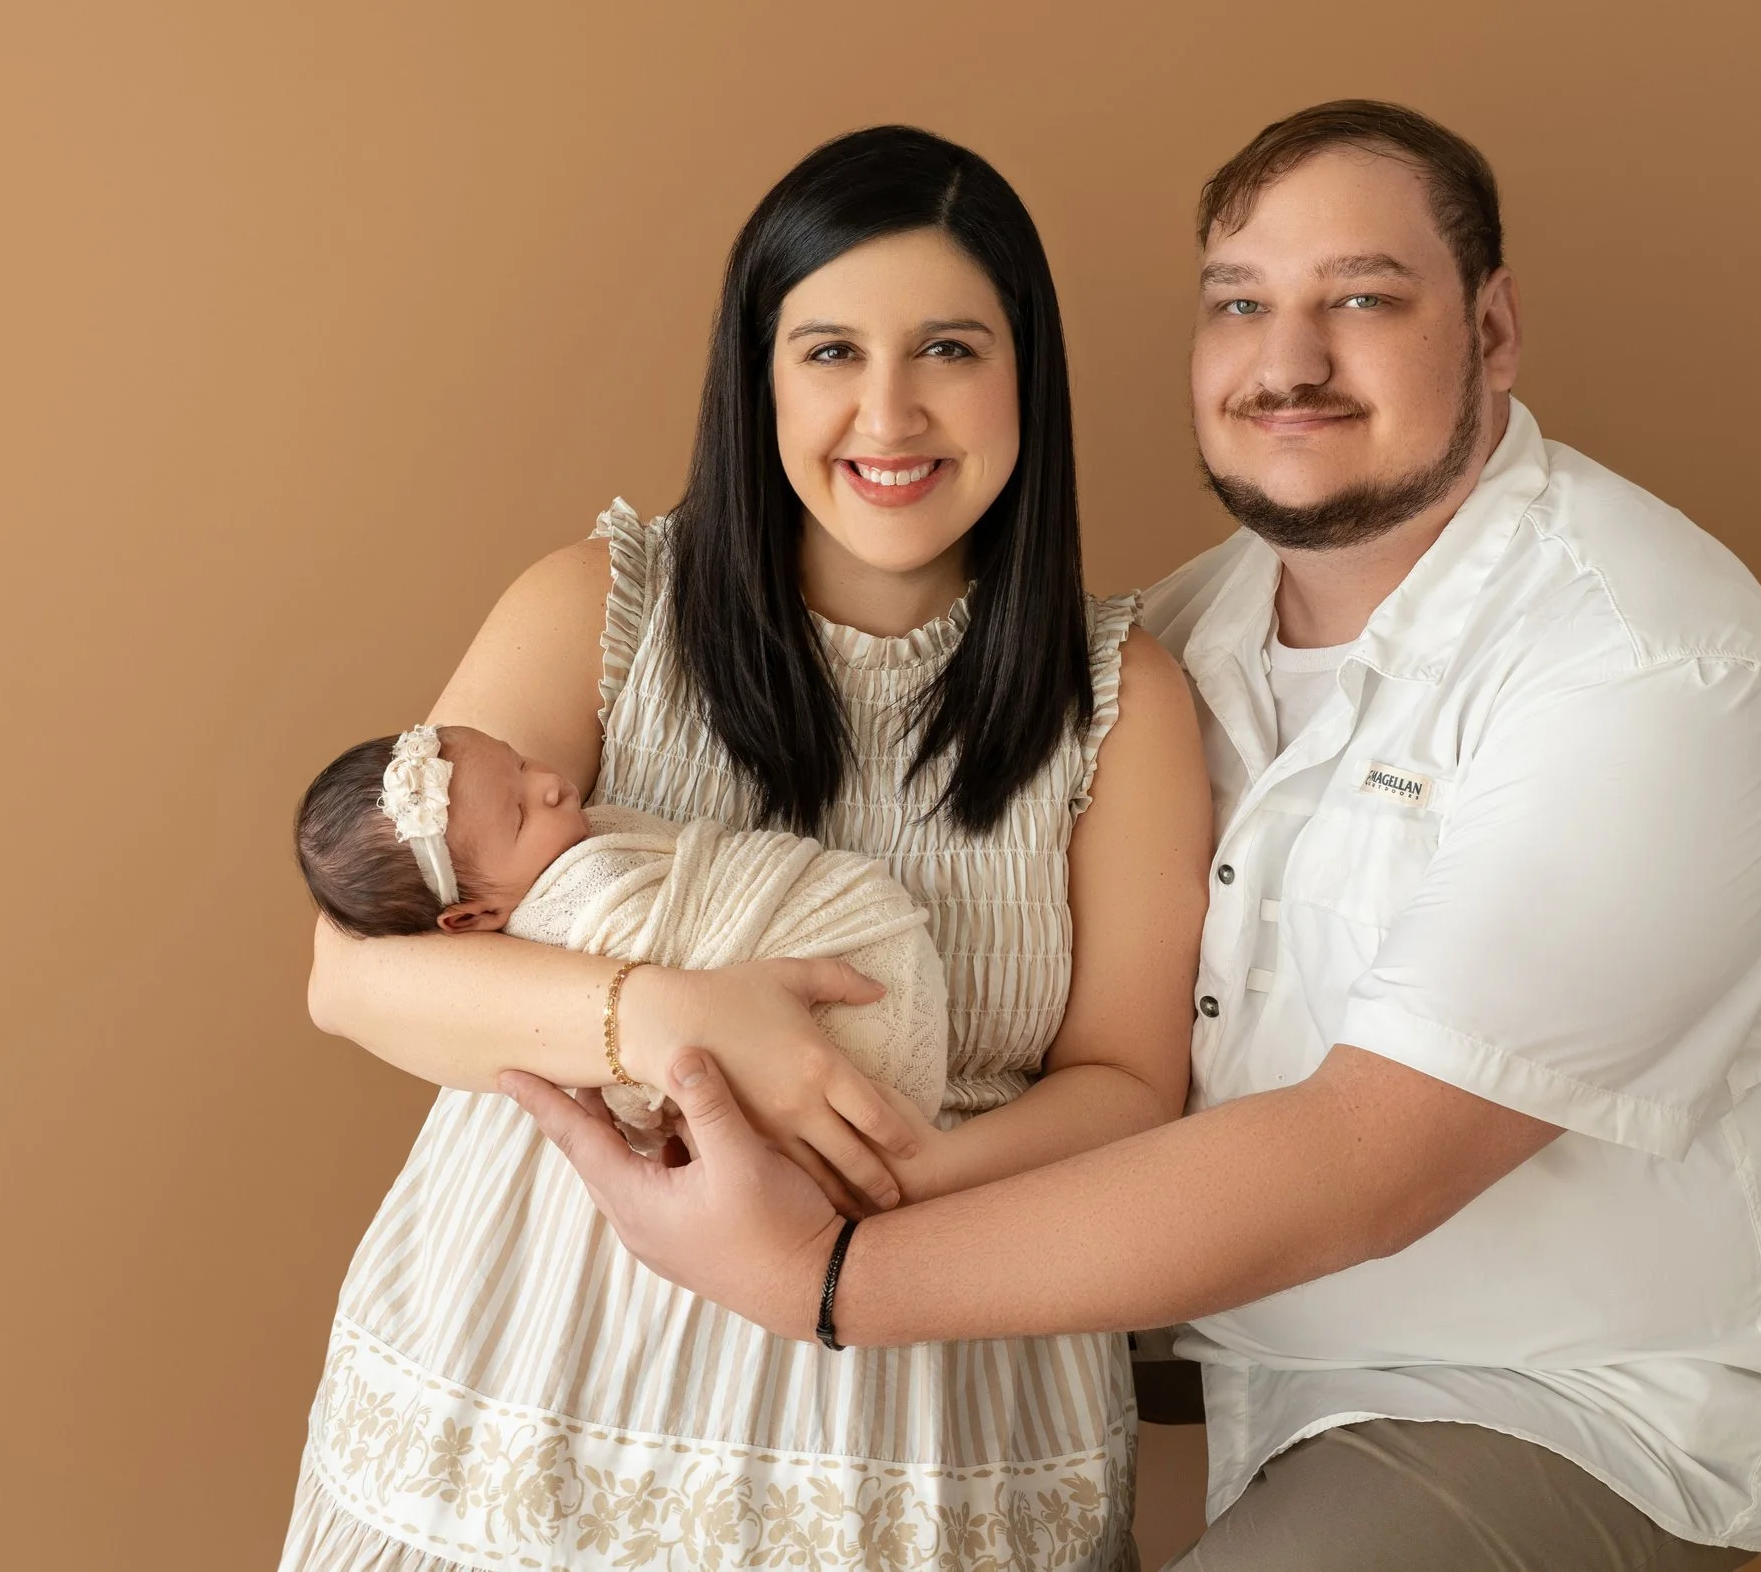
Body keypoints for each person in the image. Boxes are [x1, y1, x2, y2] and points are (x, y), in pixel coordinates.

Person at [505, 100, 1761, 1571]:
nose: (1288, 361)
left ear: (1493, 331)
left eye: (1362, 299)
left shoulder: (1647, 670)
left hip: (1562, 1388)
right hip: (1237, 1342)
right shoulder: (1168, 649)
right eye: (1241, 302)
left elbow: (1373, 1160)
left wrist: (828, 1270)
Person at [287, 126, 1209, 1571]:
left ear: (1028, 374)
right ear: (757, 377)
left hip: (929, 1373)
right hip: (545, 1368)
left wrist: (874, 1178)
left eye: (951, 349)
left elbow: (1130, 1086)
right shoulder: (604, 606)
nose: (889, 413)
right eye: (829, 349)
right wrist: (671, 1021)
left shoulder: (1123, 701)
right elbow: (356, 976)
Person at [292, 722, 951, 1149]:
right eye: (521, 814)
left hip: (837, 934)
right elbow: (644, 1069)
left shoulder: (578, 837)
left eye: (519, 760)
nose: (549, 783)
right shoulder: (572, 913)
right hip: (832, 1014)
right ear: (469, 919)